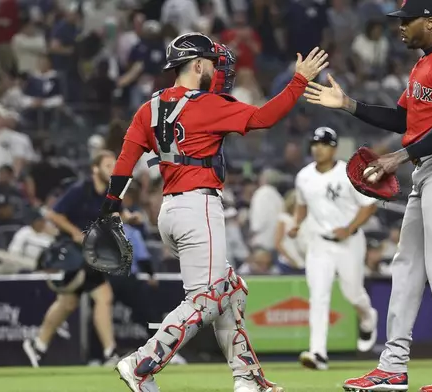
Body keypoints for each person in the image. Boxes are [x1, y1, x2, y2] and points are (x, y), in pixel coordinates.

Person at [97, 34, 327, 392]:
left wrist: (111, 206)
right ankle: (142, 363)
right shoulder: (205, 104)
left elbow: (126, 159)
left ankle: (248, 379)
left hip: (170, 211)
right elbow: (265, 118)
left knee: (231, 289)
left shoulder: (150, 107)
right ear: (198, 65)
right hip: (198, 206)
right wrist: (299, 81)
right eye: (214, 63)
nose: (219, 71)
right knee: (207, 299)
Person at [303, 0, 432, 390]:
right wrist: (349, 105)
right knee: (406, 269)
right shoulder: (421, 65)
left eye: (407, 20)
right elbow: (404, 119)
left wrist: (397, 157)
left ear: (431, 22)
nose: (400, 26)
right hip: (428, 168)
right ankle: (393, 366)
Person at [290, 126, 378, 370]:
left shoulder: (349, 173)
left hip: (349, 242)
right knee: (318, 297)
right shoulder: (304, 176)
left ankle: (368, 318)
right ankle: (318, 354)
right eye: (315, 144)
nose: (318, 148)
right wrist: (297, 223)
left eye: (324, 144)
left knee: (353, 294)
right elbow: (301, 204)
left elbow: (369, 205)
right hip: (319, 243)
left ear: (334, 148)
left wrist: (349, 228)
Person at [23, 150, 119, 368]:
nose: (112, 169)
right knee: (103, 296)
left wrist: (127, 218)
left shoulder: (108, 194)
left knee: (68, 302)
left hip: (89, 254)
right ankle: (110, 353)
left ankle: (38, 345)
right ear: (95, 168)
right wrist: (75, 232)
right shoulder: (79, 190)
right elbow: (53, 214)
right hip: (72, 253)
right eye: (107, 165)